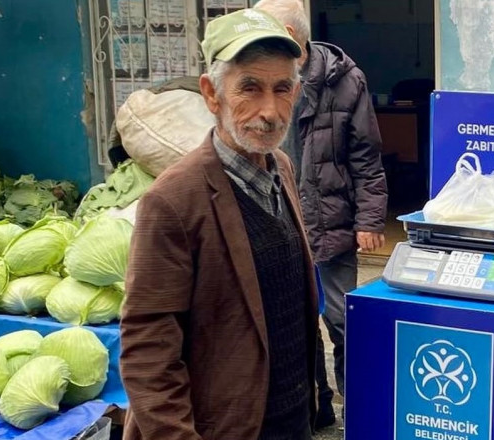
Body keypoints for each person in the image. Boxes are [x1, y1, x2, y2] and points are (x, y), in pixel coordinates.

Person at [119, 9, 319, 440]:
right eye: (249, 87)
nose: (270, 110)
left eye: (282, 89)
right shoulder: (172, 202)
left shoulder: (280, 166)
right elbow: (148, 350)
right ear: (212, 94)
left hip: (292, 418)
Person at [255, 0, 389, 429]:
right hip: (277, 221)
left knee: (342, 321)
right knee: (292, 323)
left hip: (330, 221)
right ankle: (316, 410)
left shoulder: (345, 81)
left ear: (292, 38)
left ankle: (358, 406)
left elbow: (366, 156)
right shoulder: (260, 80)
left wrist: (369, 219)